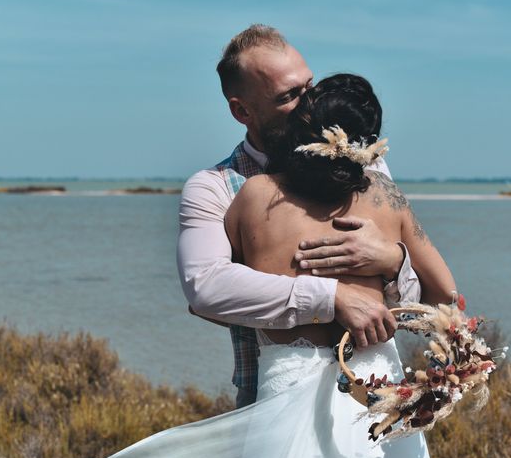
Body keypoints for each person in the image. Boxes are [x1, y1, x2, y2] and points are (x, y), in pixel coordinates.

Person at [81, 73, 455, 458]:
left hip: (285, 398)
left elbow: (209, 300)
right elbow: (446, 297)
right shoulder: (384, 195)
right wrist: (390, 267)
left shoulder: (255, 197)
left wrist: (388, 262)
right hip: (380, 401)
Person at [177, 24, 430, 409]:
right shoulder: (214, 188)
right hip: (274, 402)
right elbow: (207, 287)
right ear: (242, 110)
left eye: (309, 86)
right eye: (290, 96)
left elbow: (426, 298)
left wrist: (393, 262)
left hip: (377, 397)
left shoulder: (370, 167)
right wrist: (331, 298)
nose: (311, 103)